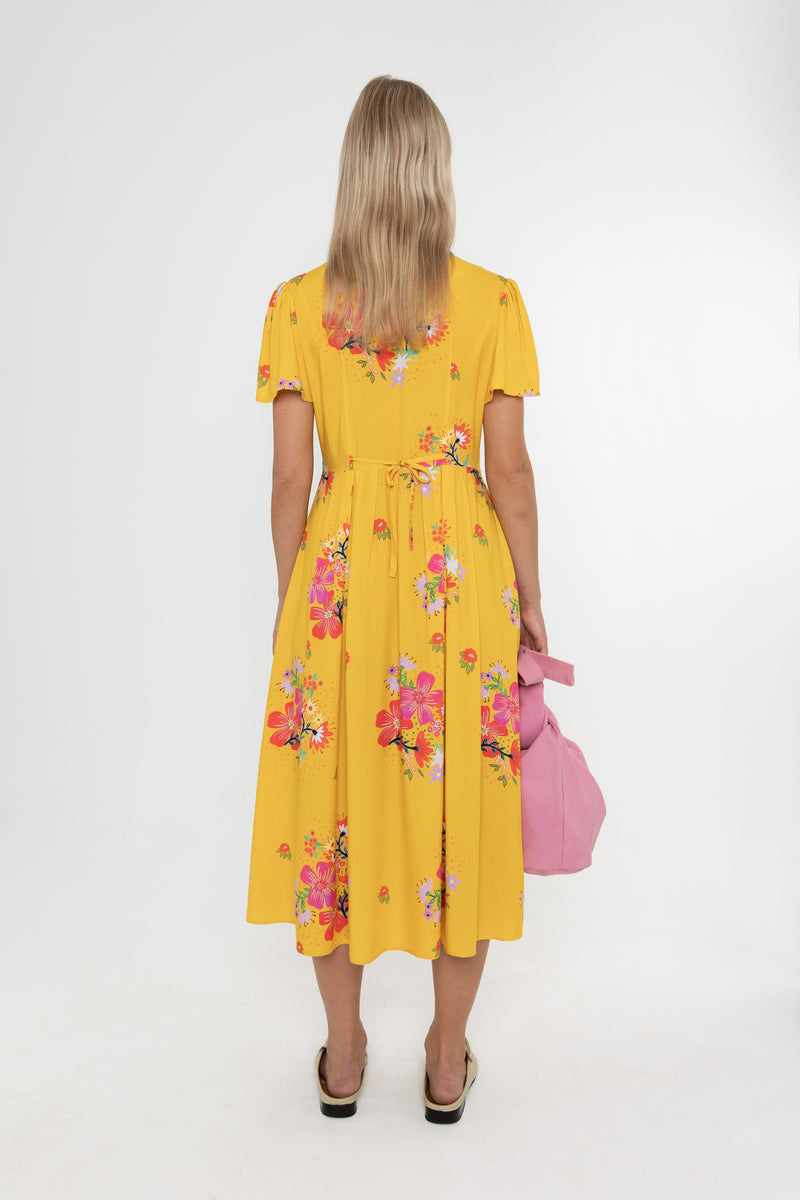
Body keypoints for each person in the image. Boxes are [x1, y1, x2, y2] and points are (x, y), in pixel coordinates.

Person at [246, 74, 548, 1123]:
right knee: (459, 807)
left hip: (336, 587)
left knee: (332, 808)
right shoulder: (493, 300)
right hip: (455, 583)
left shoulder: (294, 307)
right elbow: (506, 473)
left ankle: (340, 1057)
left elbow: (291, 480)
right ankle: (444, 1059)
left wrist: (298, 605)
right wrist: (531, 598)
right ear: (435, 172)